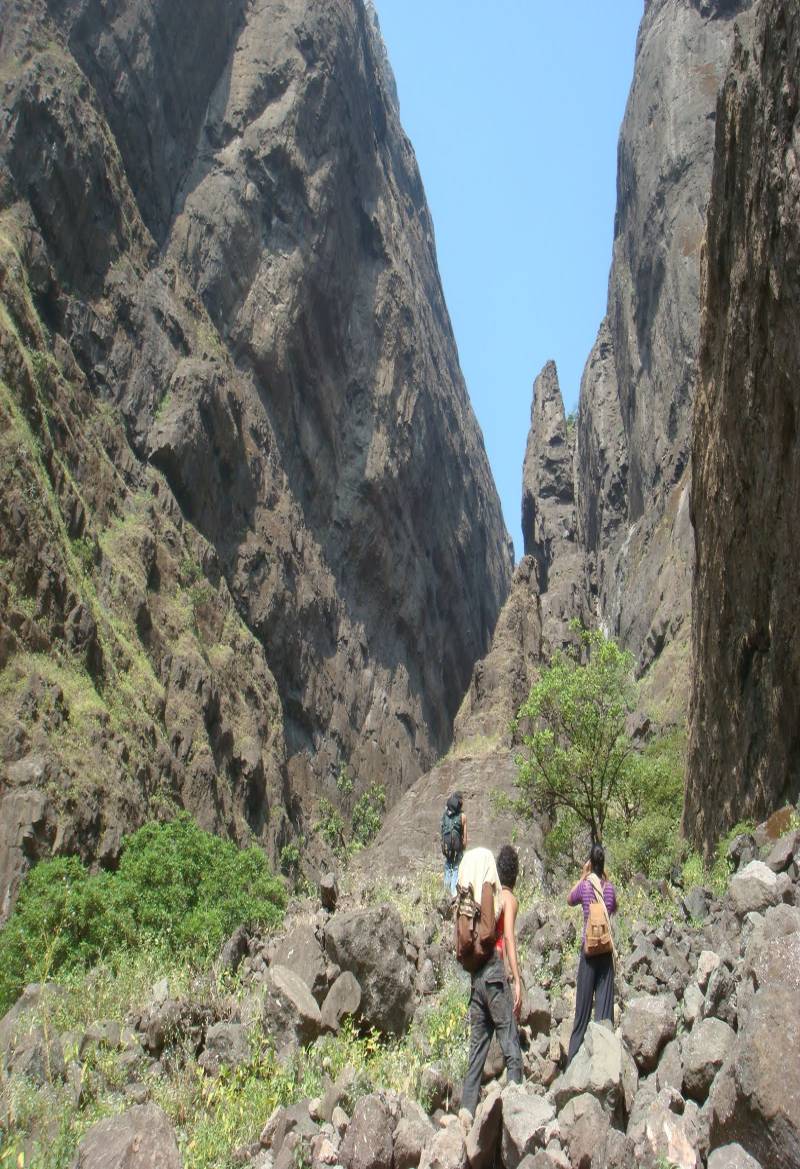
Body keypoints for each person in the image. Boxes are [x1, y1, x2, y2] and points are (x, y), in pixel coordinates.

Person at [460, 844, 523, 1118]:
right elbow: (508, 936)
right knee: (510, 1041)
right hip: (495, 973)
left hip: (477, 976)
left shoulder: (486, 896)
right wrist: (517, 978)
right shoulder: (507, 899)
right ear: (516, 874)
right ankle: (518, 1110)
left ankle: (466, 1109)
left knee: (478, 1048)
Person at [566, 842, 617, 1063]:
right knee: (604, 1015)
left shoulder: (585, 887)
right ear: (603, 863)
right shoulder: (610, 889)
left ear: (590, 862)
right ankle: (604, 1064)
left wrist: (584, 875)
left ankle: (573, 1064)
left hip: (588, 953)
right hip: (605, 953)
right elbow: (614, 908)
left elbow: (570, 899)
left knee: (582, 1014)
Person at [441, 791, 468, 895]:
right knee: (456, 868)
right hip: (457, 848)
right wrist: (462, 848)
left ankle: (445, 894)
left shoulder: (445, 815)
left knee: (448, 866)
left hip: (446, 846)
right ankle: (453, 894)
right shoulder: (463, 817)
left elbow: (442, 830)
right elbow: (465, 839)